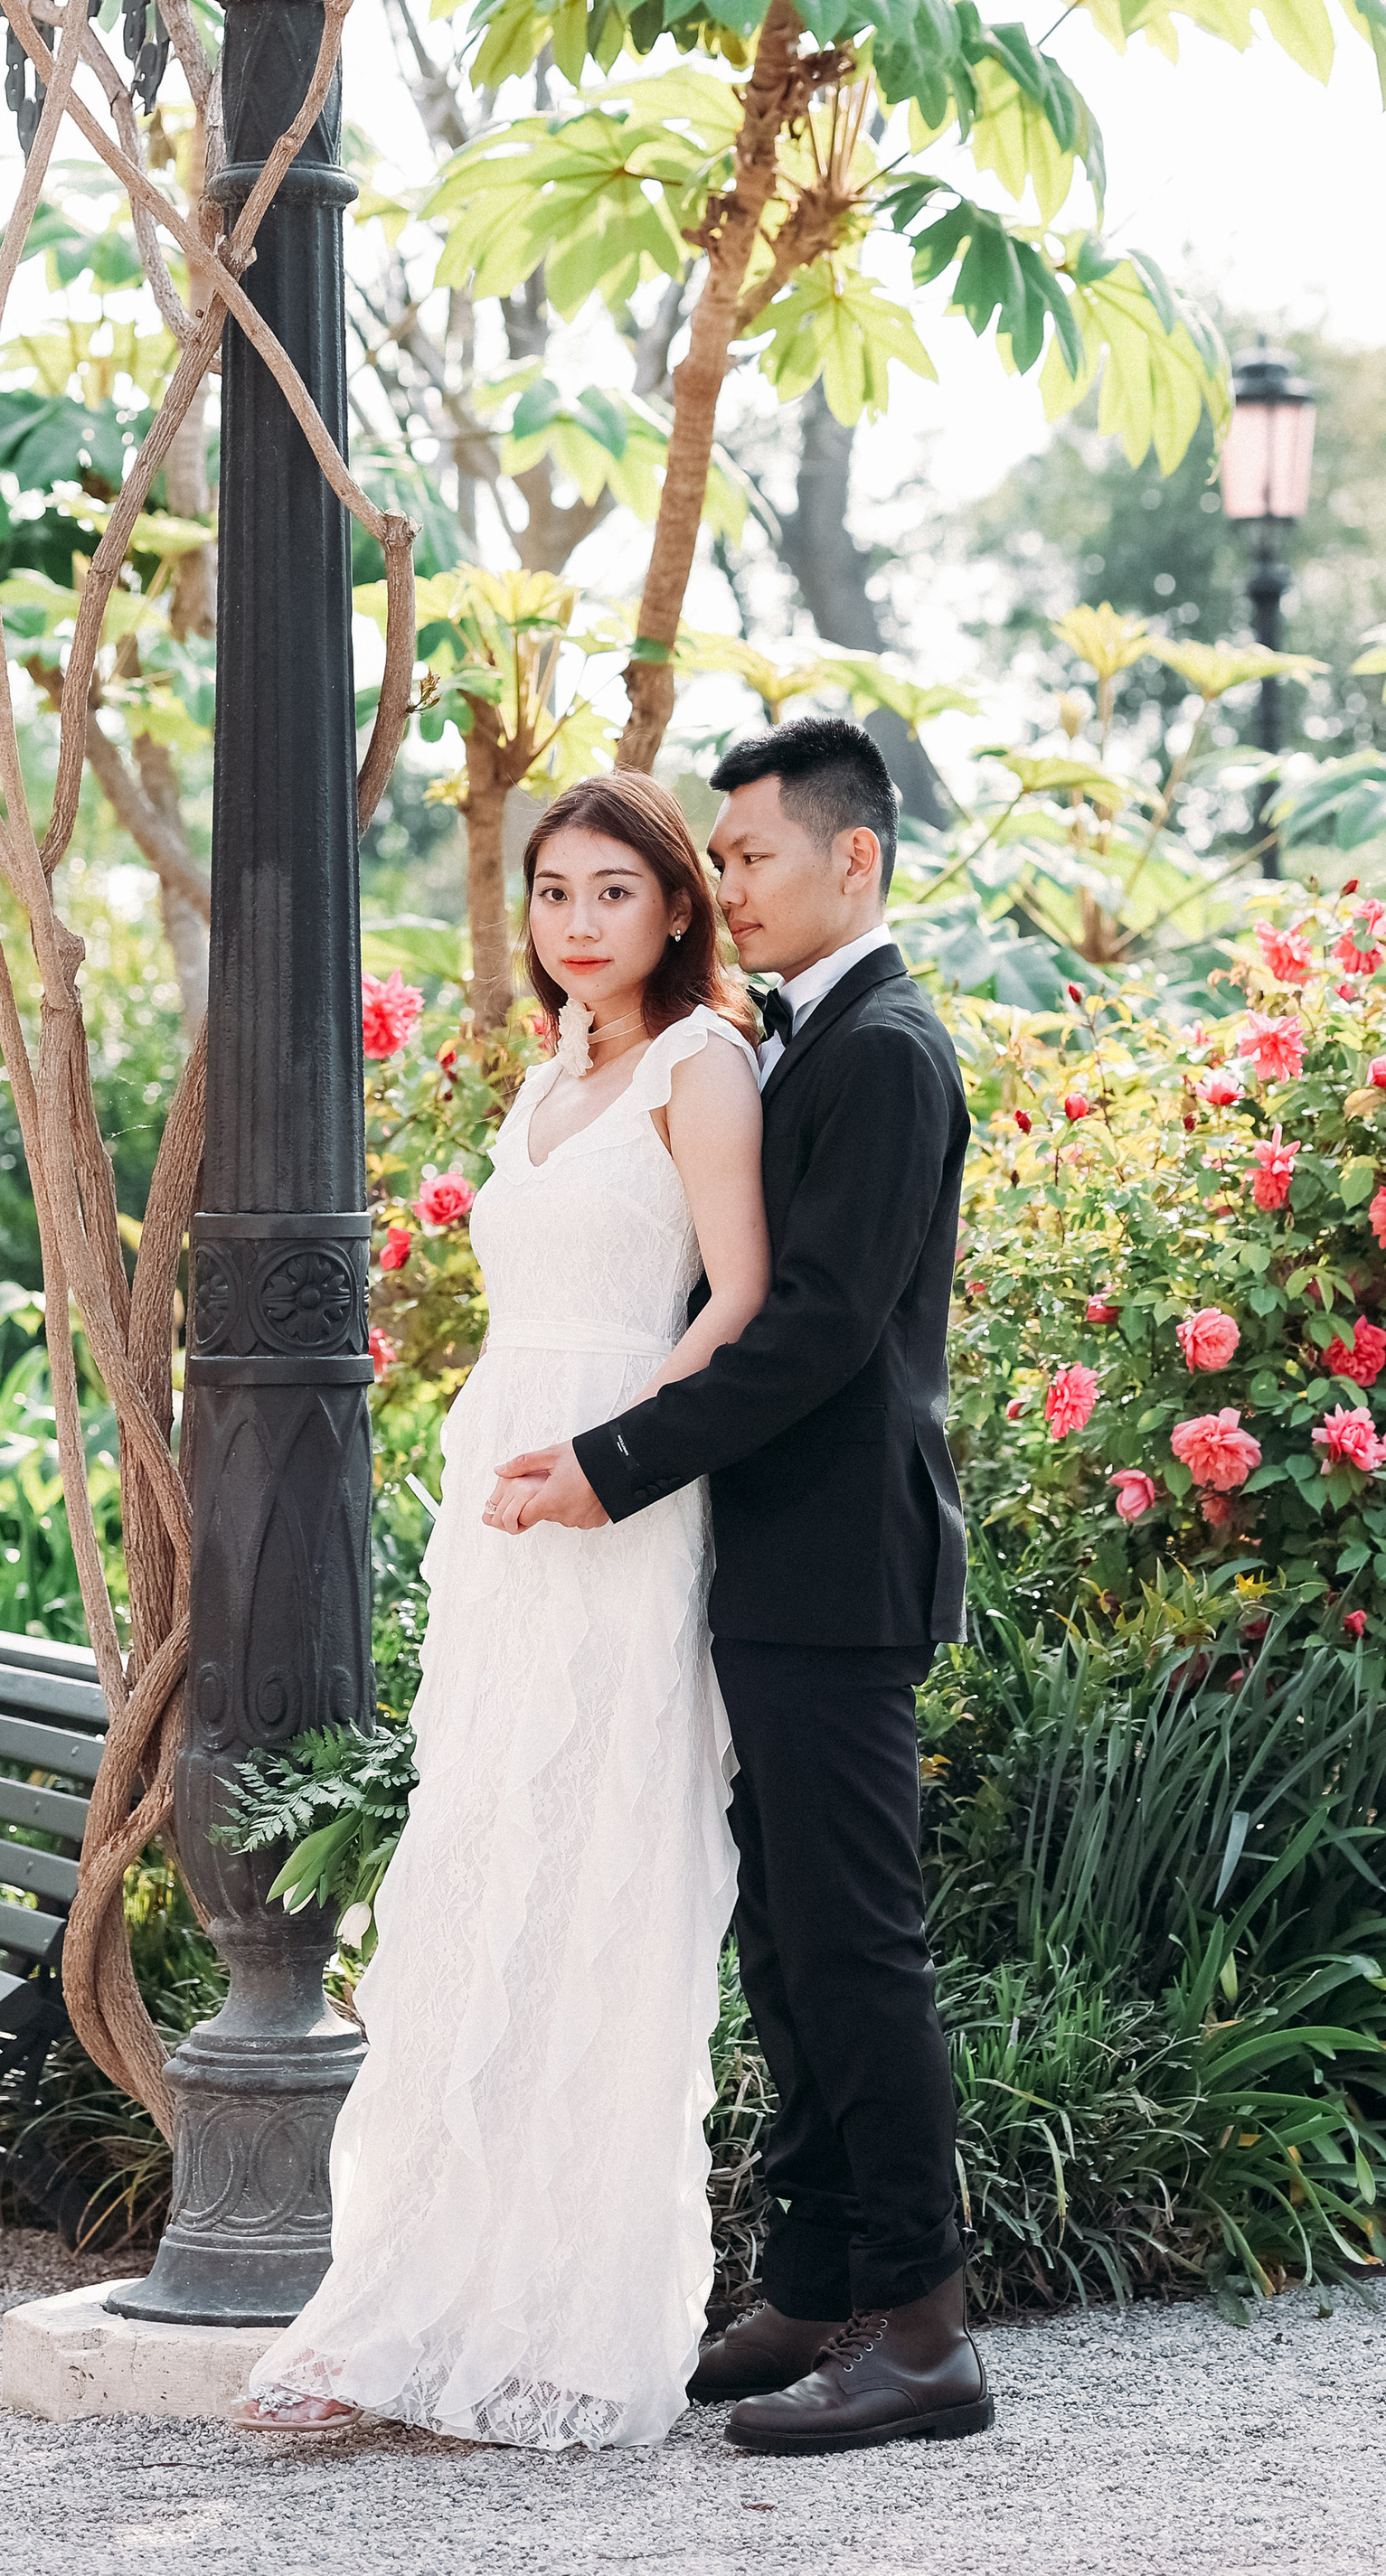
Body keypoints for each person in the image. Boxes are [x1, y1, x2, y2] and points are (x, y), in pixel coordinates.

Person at [235, 774, 768, 2445]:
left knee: (598, 1871)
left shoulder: (702, 1067)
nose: (579, 923)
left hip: (623, 1496)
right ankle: (410, 2307)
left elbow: (740, 1304)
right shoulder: (551, 1074)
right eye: (552, 894)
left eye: (614, 892)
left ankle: (568, 2328)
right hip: (505, 1517)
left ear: (676, 908)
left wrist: (609, 1459)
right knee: (477, 1870)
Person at [490, 714, 991, 2457]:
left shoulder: (888, 1052)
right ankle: (817, 2275)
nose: (731, 884)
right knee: (782, 1938)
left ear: (853, 859)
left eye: (752, 855)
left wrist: (613, 1462)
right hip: (760, 1560)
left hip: (838, 1569)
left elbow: (819, 1329)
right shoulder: (795, 1039)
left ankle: (922, 2330)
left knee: (857, 1949)